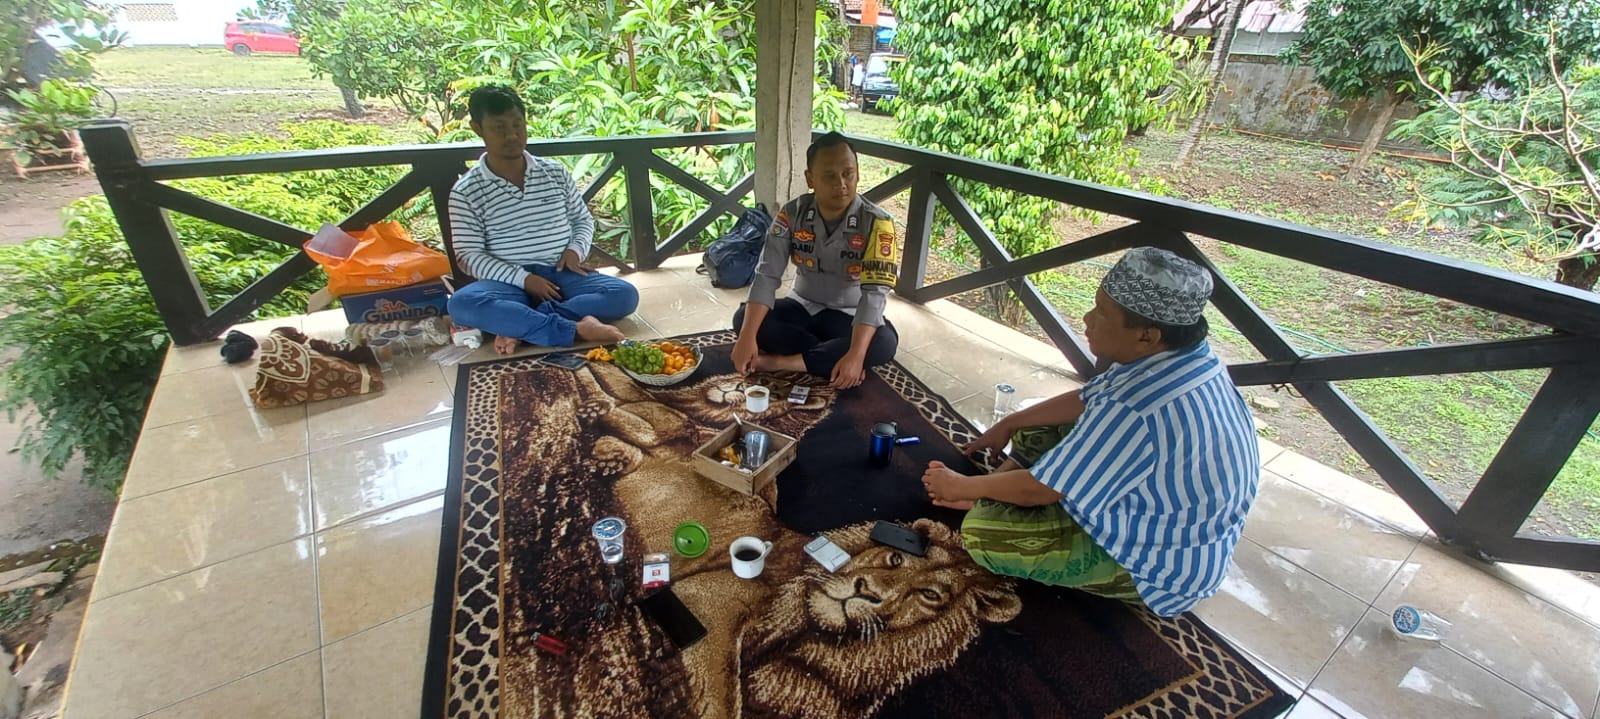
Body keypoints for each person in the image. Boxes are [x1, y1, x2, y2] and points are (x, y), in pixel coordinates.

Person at [920, 247, 1260, 617]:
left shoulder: (1136, 406)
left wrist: (962, 487)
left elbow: (1041, 490)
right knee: (1038, 424)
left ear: (1147, 336)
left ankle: (994, 500)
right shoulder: (1185, 358)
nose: (1087, 319)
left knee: (984, 534)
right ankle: (998, 490)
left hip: (1158, 565)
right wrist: (1010, 422)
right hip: (1168, 519)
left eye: (1102, 313)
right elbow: (1089, 398)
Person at [445, 84, 638, 355]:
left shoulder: (555, 173)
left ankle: (520, 324)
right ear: (477, 128)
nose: (512, 135)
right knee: (461, 304)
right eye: (499, 128)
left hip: (561, 275)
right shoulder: (467, 191)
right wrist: (524, 279)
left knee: (625, 295)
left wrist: (575, 250)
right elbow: (469, 256)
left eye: (517, 125)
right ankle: (575, 328)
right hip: (507, 283)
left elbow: (582, 220)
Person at [731, 132, 900, 389]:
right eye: (829, 176)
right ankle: (828, 356)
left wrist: (856, 353)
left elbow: (875, 294)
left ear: (858, 174)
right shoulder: (792, 214)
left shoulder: (878, 222)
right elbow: (767, 275)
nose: (841, 184)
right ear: (811, 179)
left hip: (848, 315)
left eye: (848, 173)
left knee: (884, 342)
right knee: (743, 319)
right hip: (802, 306)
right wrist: (746, 337)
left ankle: (782, 362)